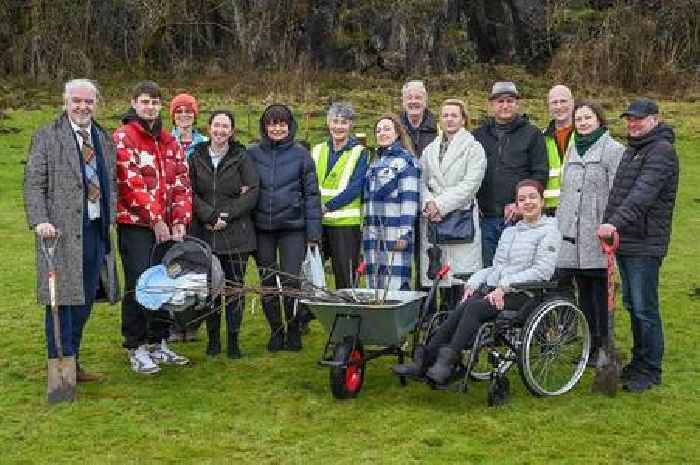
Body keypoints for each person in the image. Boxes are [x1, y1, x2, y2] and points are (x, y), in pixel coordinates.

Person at [393, 180, 561, 385]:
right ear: (516, 205)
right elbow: (496, 267)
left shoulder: (550, 231)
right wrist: (473, 282)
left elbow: (542, 271)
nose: (527, 202)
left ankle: (447, 363)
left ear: (543, 202)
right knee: (463, 306)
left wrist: (505, 285)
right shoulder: (510, 232)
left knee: (473, 308)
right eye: (521, 199)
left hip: (527, 294)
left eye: (533, 197)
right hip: (498, 291)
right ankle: (425, 360)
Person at [23, 78, 120, 384]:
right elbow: (33, 183)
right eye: (76, 101)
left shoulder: (102, 138)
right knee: (61, 302)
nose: (82, 106)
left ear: (96, 103)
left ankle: (73, 360)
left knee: (86, 299)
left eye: (88, 101)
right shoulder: (47, 137)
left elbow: (111, 180)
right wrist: (40, 221)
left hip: (94, 230)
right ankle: (61, 372)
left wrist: (112, 213)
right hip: (59, 234)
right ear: (65, 102)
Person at [597, 98, 679, 392]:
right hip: (627, 242)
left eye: (639, 119)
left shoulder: (661, 152)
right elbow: (618, 195)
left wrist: (613, 224)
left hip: (645, 242)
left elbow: (641, 197)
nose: (633, 124)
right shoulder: (634, 150)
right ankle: (639, 361)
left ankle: (650, 369)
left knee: (645, 307)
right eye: (629, 119)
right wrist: (609, 224)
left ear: (655, 119)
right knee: (633, 305)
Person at [113, 81, 192, 375]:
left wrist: (180, 221)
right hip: (136, 225)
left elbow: (182, 183)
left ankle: (158, 341)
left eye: (155, 102)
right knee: (140, 282)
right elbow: (130, 183)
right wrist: (155, 219)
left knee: (165, 283)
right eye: (144, 101)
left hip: (170, 228)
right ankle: (136, 346)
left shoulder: (169, 141)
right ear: (134, 103)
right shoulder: (124, 138)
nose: (150, 107)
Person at [247, 104, 322, 352]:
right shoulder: (252, 154)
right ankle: (276, 330)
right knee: (268, 281)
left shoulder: (302, 155)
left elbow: (312, 196)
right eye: (272, 124)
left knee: (291, 281)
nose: (277, 128)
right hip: (263, 229)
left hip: (293, 228)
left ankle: (293, 328)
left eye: (282, 124)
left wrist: (313, 234)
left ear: (289, 127)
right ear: (264, 126)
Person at [556, 100, 623, 365]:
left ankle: (606, 348)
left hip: (598, 235)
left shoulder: (613, 150)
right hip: (573, 236)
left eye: (588, 118)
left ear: (599, 120)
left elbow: (618, 192)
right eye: (579, 118)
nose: (583, 123)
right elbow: (565, 191)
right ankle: (590, 347)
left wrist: (609, 224)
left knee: (601, 295)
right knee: (583, 294)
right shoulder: (572, 149)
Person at [189, 110, 259, 359]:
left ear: (231, 131)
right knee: (211, 290)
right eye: (216, 125)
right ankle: (213, 340)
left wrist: (226, 215)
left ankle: (233, 340)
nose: (220, 130)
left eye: (225, 126)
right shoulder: (196, 156)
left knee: (234, 288)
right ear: (209, 128)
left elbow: (251, 192)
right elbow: (190, 191)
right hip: (206, 234)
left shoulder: (242, 156)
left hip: (237, 235)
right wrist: (209, 215)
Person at [419, 98, 486, 310]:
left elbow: (470, 185)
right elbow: (420, 180)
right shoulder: (430, 150)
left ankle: (459, 333)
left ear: (463, 119)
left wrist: (440, 205)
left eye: (454, 115)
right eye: (445, 115)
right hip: (434, 221)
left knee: (460, 280)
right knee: (438, 276)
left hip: (460, 218)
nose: (449, 119)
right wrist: (429, 203)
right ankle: (437, 328)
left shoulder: (474, 148)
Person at [473, 81, 548, 267]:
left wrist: (519, 204)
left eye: (509, 101)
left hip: (520, 219)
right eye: (500, 101)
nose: (505, 105)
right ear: (491, 104)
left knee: (519, 272)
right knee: (489, 273)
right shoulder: (478, 135)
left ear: (517, 103)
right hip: (486, 219)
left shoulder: (532, 134)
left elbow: (540, 173)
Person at [311, 102, 369, 290]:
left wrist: (327, 206)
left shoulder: (360, 152)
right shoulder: (318, 149)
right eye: (335, 121)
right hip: (318, 223)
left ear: (351, 125)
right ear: (328, 123)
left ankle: (348, 314)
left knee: (345, 277)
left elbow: (356, 186)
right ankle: (310, 313)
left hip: (345, 225)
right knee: (312, 273)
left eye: (344, 122)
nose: (339, 126)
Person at [363, 114, 420, 291]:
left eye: (387, 129)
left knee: (395, 286)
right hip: (373, 234)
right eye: (378, 130)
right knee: (374, 285)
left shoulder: (406, 161)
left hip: (394, 233)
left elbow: (410, 201)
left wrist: (404, 234)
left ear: (397, 133)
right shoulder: (374, 163)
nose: (382, 133)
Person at [399, 80, 438, 290]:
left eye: (418, 97)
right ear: (403, 101)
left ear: (426, 100)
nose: (414, 101)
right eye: (409, 97)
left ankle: (426, 309)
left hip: (429, 205)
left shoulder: (438, 129)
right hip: (401, 205)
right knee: (401, 257)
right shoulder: (394, 127)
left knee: (426, 259)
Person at [543, 85, 575, 213]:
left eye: (563, 101)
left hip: (579, 207)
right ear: (549, 107)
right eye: (554, 102)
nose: (559, 106)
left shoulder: (585, 135)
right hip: (549, 210)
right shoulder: (541, 138)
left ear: (572, 102)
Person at [170, 93, 208, 160]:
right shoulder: (164, 143)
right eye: (179, 111)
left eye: (188, 111)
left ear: (194, 115)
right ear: (173, 116)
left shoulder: (206, 143)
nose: (183, 115)